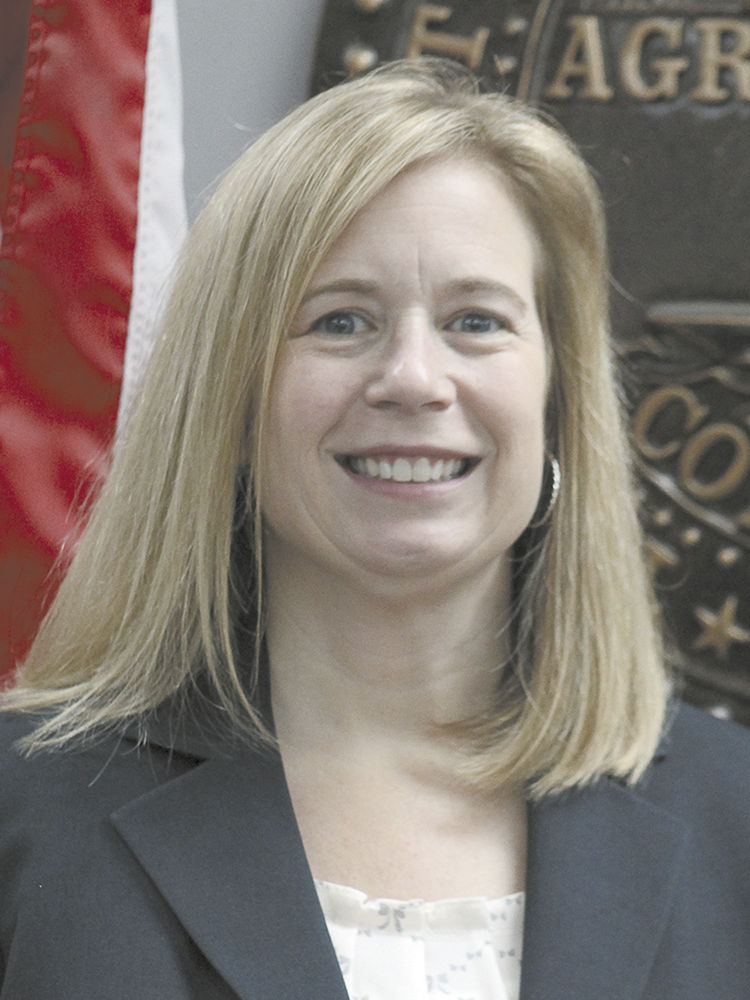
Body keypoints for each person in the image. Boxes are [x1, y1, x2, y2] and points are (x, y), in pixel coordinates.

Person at [1, 58, 749, 1000]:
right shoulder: (25, 811)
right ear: (231, 402)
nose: (415, 379)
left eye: (476, 320)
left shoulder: (737, 819)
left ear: (558, 400)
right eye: (342, 321)